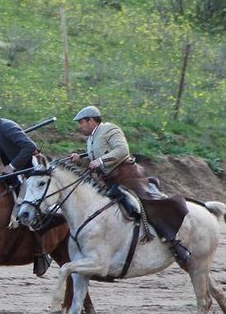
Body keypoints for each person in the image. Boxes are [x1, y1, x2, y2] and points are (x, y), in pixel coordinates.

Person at [68, 105, 193, 269]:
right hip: (110, 181)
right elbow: (96, 161)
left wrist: (100, 161)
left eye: (81, 122)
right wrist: (81, 161)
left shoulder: (109, 129)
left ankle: (174, 243)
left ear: (91, 120)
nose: (80, 126)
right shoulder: (91, 139)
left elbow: (122, 150)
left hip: (128, 177)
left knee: (146, 205)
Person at [0, 103, 49, 276]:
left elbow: (29, 147)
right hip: (18, 172)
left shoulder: (6, 127)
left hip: (30, 172)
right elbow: (10, 148)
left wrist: (12, 166)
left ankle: (41, 251)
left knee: (26, 207)